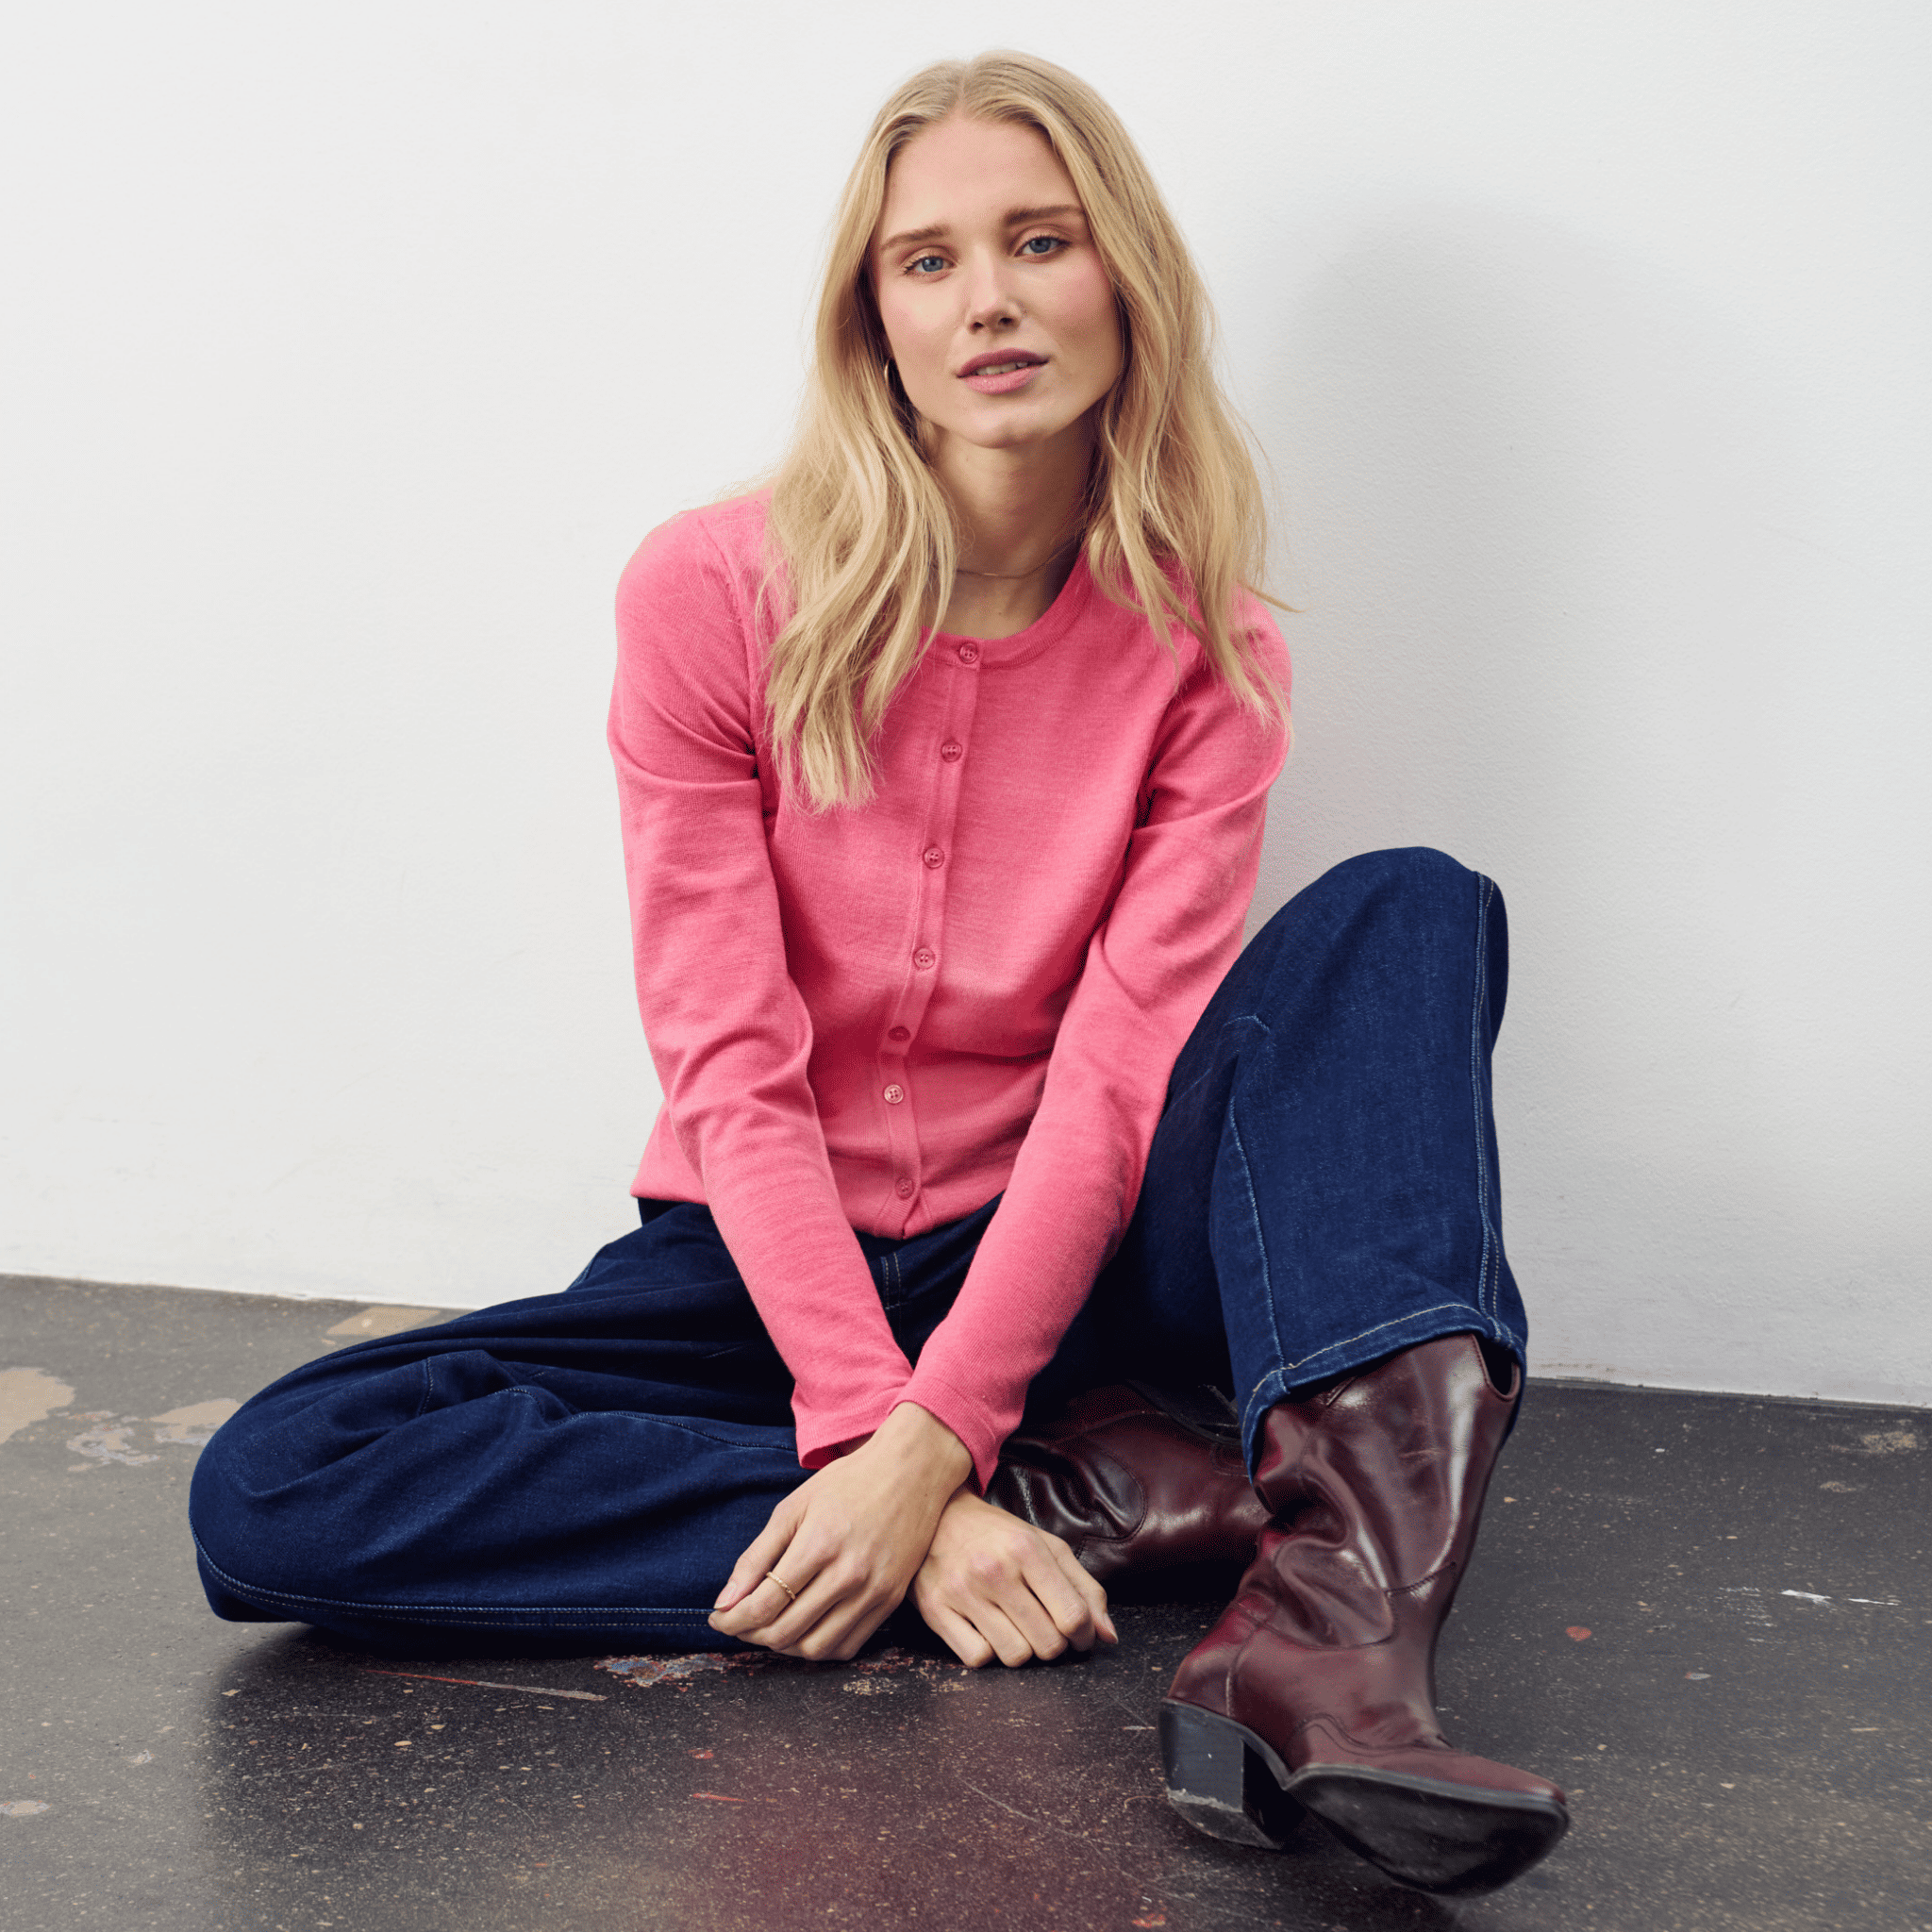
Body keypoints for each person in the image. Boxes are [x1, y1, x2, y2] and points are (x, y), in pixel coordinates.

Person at [187, 51, 1567, 1899]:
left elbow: (1113, 1087)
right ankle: (1053, 1507)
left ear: (1125, 282)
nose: (986, 297)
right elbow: (729, 1061)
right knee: (276, 1480)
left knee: (1408, 912)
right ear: (878, 324)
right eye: (929, 261)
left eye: (1040, 241)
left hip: (1065, 1260)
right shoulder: (710, 593)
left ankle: (1331, 1639)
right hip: (758, 1265)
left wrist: (941, 1418)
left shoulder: (1210, 652)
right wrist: (895, 1463)